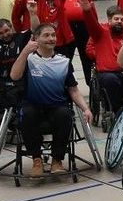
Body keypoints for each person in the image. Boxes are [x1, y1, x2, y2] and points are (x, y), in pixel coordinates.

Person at [9, 23, 94, 177]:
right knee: (27, 114)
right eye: (46, 35)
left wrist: (85, 108)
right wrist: (25, 51)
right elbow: (14, 76)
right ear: (36, 38)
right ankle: (36, 160)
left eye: (53, 35)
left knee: (65, 115)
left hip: (56, 105)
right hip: (33, 104)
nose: (51, 38)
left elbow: (73, 89)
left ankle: (57, 160)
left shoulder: (63, 61)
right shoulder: (29, 59)